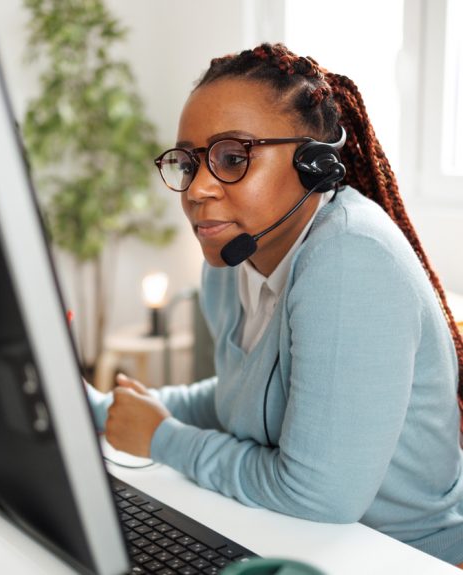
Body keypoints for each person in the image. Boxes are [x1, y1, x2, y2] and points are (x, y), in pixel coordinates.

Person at [86, 43, 463, 565]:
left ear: (315, 165)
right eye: (188, 162)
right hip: (291, 541)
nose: (196, 189)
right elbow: (244, 399)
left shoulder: (352, 260)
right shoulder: (234, 259)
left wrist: (163, 440)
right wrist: (103, 412)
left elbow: (317, 495)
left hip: (395, 556)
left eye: (232, 159)